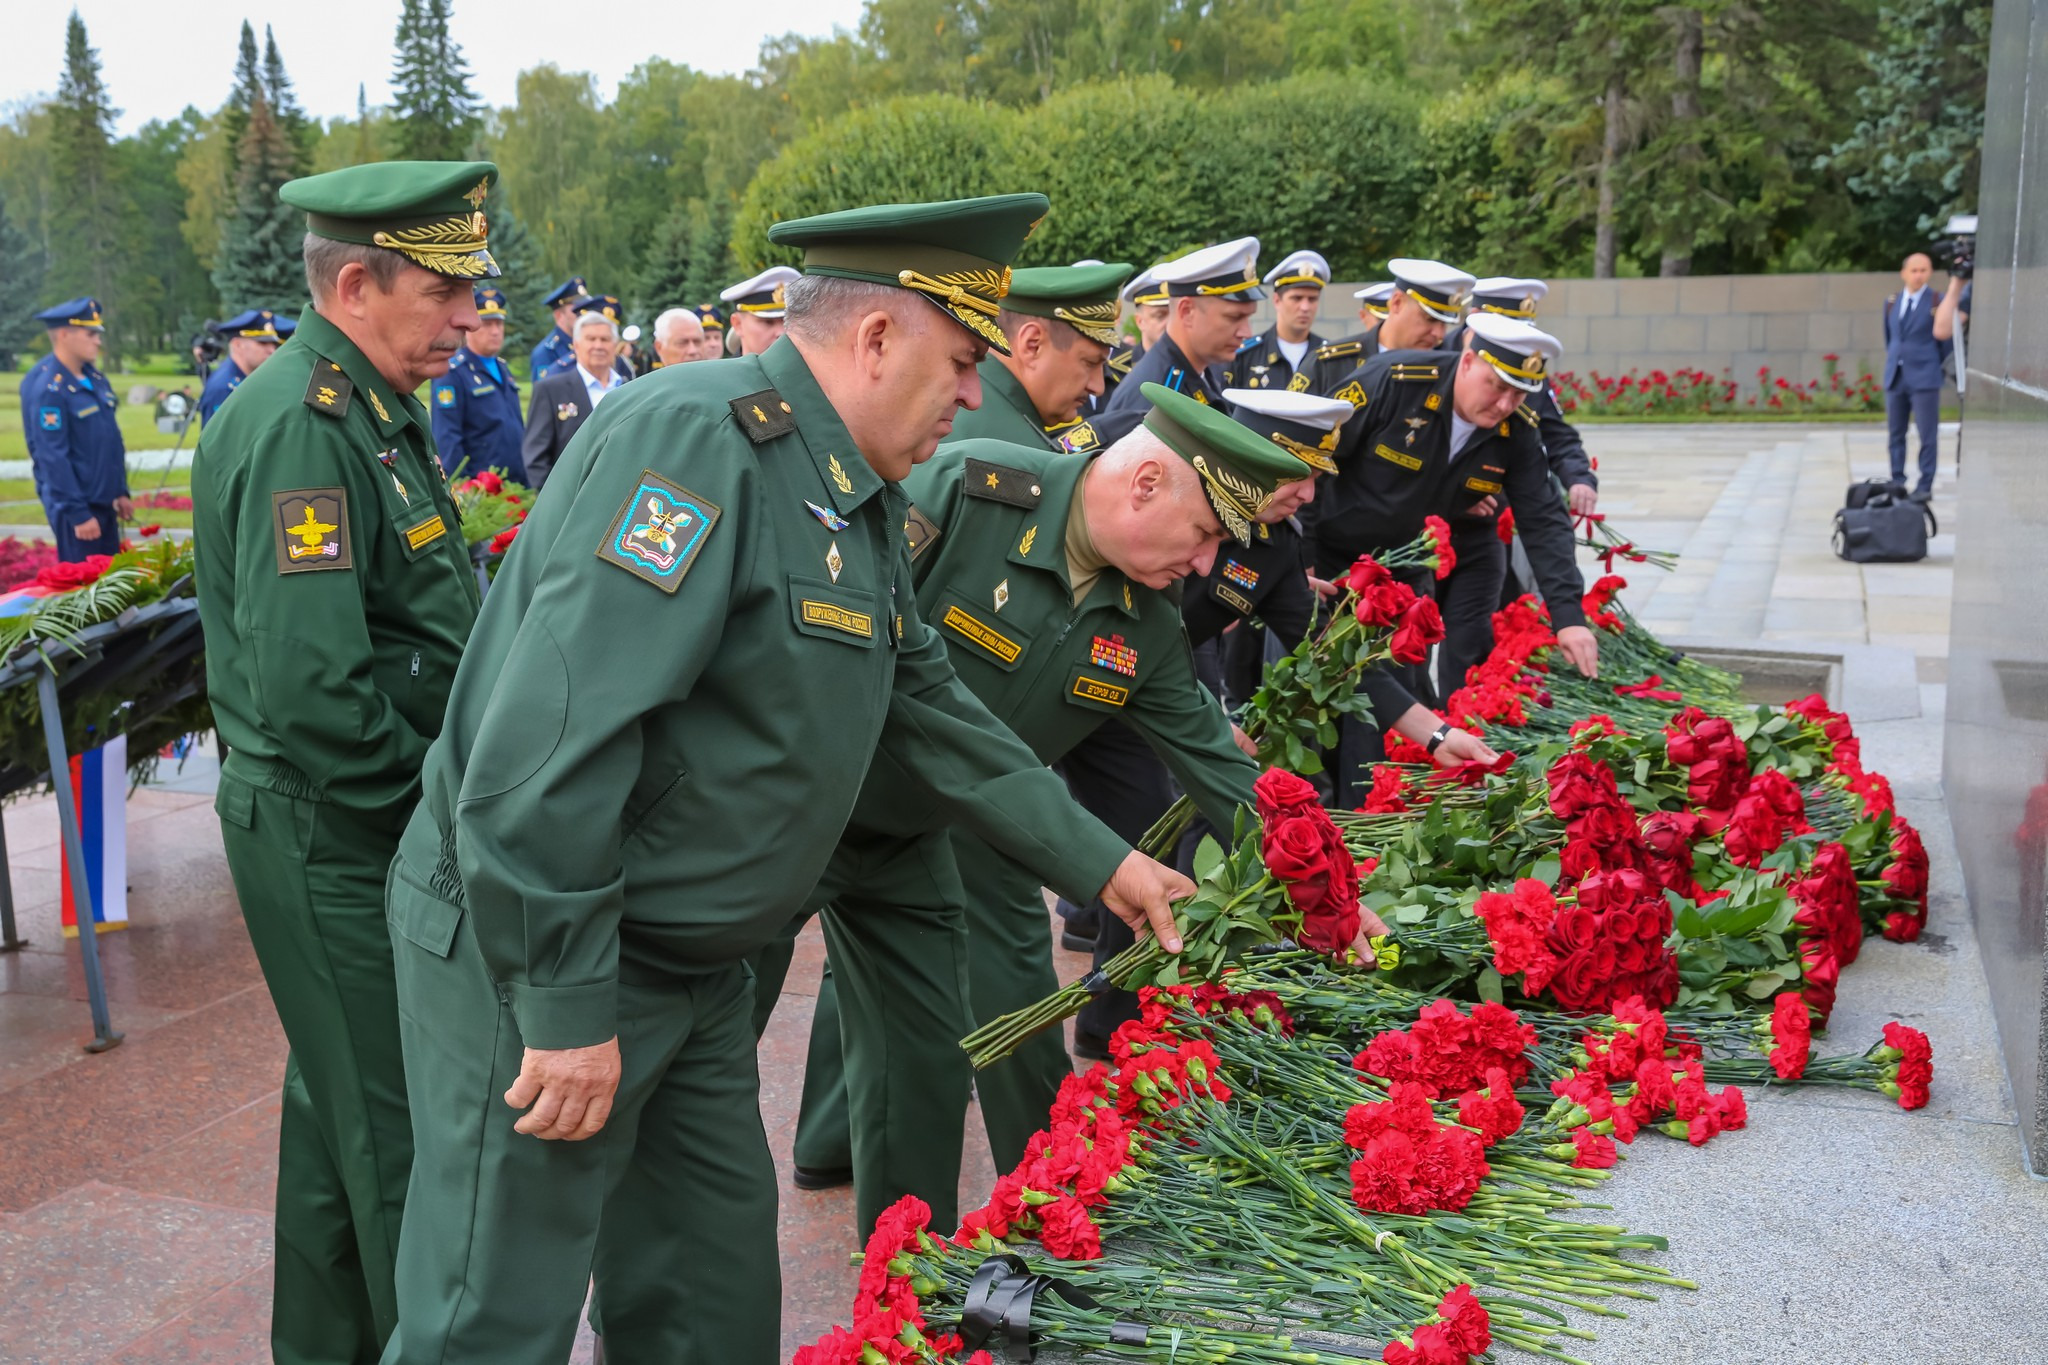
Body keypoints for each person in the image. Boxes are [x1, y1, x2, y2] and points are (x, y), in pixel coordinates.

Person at [377, 193, 1192, 1365]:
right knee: (489, 1317)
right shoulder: (699, 441)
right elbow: (550, 745)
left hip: (696, 967)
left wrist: (1105, 865)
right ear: (874, 341)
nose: (973, 395)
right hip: (554, 953)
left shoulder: (846, 489)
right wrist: (562, 1004)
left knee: (707, 1300)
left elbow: (931, 708)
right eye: (960, 361)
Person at [749, 383, 1366, 1234]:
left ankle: (905, 1288)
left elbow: (1220, 769)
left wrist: (1330, 895)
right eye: (1204, 534)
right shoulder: (969, 494)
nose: (1203, 567)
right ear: (1146, 483)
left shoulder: (1144, 623)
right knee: (702, 1039)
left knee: (923, 1070)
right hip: (796, 814)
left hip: (925, 840)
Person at [190, 159, 491, 1365]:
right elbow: (316, 695)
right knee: (395, 1132)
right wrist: (439, 819)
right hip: (335, 824)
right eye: (444, 292)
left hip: (352, 812)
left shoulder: (361, 403)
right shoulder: (306, 430)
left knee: (336, 1116)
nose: (467, 320)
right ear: (356, 283)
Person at [1308, 311, 1596, 804]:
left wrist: (1569, 618)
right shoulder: (1394, 382)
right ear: (1467, 360)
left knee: (1395, 705)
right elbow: (1309, 459)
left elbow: (1543, 519)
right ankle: (1315, 813)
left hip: (1402, 575)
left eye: (1518, 394)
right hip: (1327, 565)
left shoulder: (1515, 430)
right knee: (1314, 700)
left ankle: (1370, 817)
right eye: (1496, 385)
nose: (1505, 403)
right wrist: (1298, 561)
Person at [1433, 277, 1598, 696]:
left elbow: (1553, 437)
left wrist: (1579, 476)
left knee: (1474, 643)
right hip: (1416, 538)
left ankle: (1464, 728)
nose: (1507, 401)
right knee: (1405, 652)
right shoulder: (1427, 366)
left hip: (1487, 529)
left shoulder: (1525, 377)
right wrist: (1452, 494)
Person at [947, 261, 1132, 446]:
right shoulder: (1007, 447)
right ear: (1032, 345)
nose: (1098, 387)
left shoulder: (975, 413)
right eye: (1090, 363)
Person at [21, 298, 129, 562]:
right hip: (78, 510)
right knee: (84, 592)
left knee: (112, 588)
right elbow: (51, 457)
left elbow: (109, 440)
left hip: (104, 502)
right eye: (90, 334)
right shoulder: (50, 389)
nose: (98, 341)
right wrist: (78, 513)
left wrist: (120, 490)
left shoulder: (94, 379)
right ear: (64, 335)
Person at [1104, 236, 1264, 414]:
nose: (1247, 332)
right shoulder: (1157, 398)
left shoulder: (1196, 371)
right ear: (1187, 311)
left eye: (1247, 318)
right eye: (1234, 317)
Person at [1296, 259, 1473, 398]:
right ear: (1396, 303)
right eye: (1429, 319)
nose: (1439, 334)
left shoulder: (1449, 374)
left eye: (1444, 324)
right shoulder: (1329, 365)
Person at [521, 300, 628, 490]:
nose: (598, 346)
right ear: (576, 345)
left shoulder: (629, 389)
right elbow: (536, 458)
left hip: (621, 497)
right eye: (590, 339)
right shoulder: (550, 390)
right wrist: (556, 503)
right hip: (570, 500)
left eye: (604, 340)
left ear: (614, 346)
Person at [430, 285, 526, 484]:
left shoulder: (502, 368)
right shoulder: (452, 372)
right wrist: (463, 489)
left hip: (516, 484)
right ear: (471, 327)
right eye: (487, 324)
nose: (495, 332)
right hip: (481, 491)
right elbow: (447, 437)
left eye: (499, 324)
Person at [1882, 251, 1950, 502]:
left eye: (1923, 270)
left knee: (1927, 434)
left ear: (1930, 272)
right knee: (1896, 433)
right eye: (1914, 270)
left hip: (1925, 377)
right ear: (1904, 273)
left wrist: (1934, 366)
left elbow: (1945, 343)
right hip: (1896, 376)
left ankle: (1925, 484)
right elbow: (1890, 339)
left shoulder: (1937, 302)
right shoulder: (1891, 302)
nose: (1918, 275)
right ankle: (1897, 481)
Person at [1225, 249, 1329, 391]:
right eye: (1297, 298)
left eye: (1312, 299)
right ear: (1276, 300)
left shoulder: (1328, 356)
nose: (1305, 307)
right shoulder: (1245, 355)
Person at [198, 309, 284, 424]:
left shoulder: (246, 379)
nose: (272, 350)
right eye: (262, 343)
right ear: (237, 345)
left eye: (273, 344)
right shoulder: (224, 389)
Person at [1102, 268, 1167, 404]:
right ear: (1140, 321)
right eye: (1160, 315)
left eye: (1175, 314)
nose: (1169, 323)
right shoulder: (1117, 368)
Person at [719, 265, 801, 355]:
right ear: (737, 324)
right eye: (768, 322)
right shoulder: (724, 369)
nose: (781, 333)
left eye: (787, 322)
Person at [528, 276, 588, 381]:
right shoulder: (545, 353)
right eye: (576, 310)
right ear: (559, 315)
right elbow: (545, 393)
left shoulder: (587, 344)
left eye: (584, 308)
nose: (582, 314)